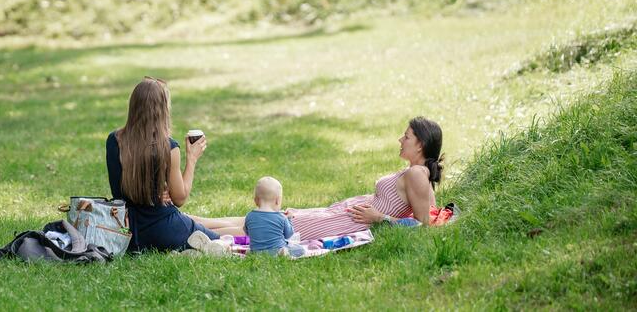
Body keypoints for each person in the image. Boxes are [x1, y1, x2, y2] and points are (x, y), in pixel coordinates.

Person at [188, 117, 445, 241]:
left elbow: (425, 224)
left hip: (342, 226)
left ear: (421, 145)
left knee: (259, 227)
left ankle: (186, 231)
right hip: (338, 216)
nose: (400, 140)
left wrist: (380, 219)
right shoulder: (417, 173)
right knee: (257, 220)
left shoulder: (416, 174)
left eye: (407, 137)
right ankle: (189, 222)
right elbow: (430, 211)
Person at [106, 76, 222, 252]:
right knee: (222, 236)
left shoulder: (114, 140)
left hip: (126, 229)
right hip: (163, 230)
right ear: (162, 110)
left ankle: (257, 218)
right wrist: (191, 159)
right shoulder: (167, 147)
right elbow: (179, 198)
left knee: (201, 221)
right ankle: (267, 227)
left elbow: (124, 186)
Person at [244, 176, 302, 257]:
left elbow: (247, 232)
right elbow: (288, 234)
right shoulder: (281, 217)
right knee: (299, 249)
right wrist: (289, 218)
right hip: (276, 250)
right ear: (278, 200)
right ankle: (282, 252)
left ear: (256, 200)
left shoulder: (249, 216)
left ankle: (251, 253)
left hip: (256, 251)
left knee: (253, 250)